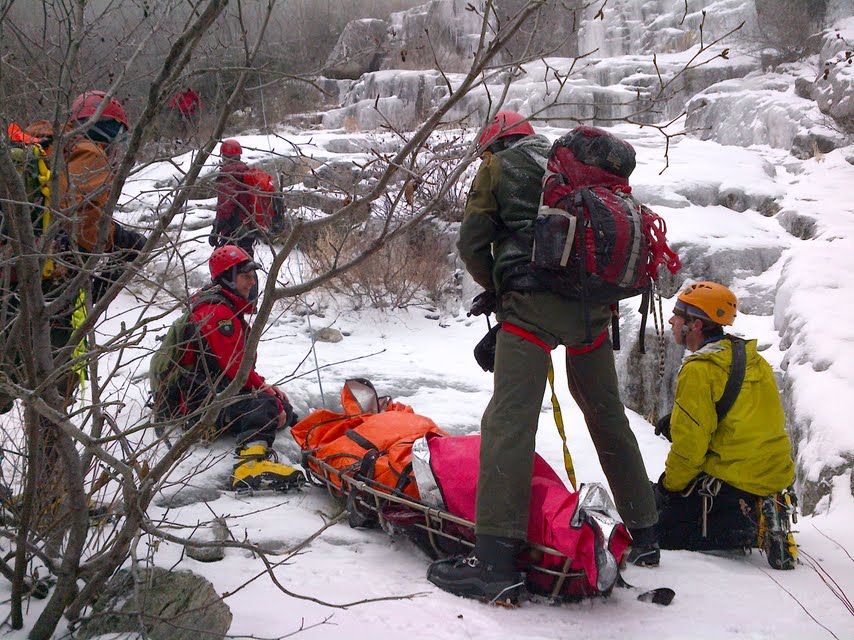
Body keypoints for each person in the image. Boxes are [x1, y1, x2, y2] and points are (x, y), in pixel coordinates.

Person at [426, 112, 660, 603]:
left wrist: (499, 288)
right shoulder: (574, 164)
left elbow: (472, 244)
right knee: (606, 415)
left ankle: (494, 563)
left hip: (530, 314)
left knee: (510, 423)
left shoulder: (500, 166)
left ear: (493, 142)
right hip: (594, 313)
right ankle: (646, 531)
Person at [653, 281, 797, 569]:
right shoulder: (752, 359)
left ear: (695, 325)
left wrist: (667, 488)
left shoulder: (700, 370)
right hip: (772, 475)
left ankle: (743, 525)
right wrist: (679, 421)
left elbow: (690, 450)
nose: (671, 320)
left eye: (678, 314)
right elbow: (745, 418)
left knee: (648, 521)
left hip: (727, 487)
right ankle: (762, 510)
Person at [161, 244, 302, 490]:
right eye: (245, 276)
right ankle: (250, 465)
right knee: (267, 404)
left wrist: (266, 389)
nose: (251, 282)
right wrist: (267, 395)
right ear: (227, 277)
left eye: (252, 276)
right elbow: (236, 369)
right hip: (196, 403)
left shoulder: (221, 305)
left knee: (280, 408)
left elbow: (234, 368)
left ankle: (269, 425)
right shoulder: (217, 313)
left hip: (206, 393)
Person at [210, 138, 258, 256]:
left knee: (231, 264)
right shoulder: (246, 172)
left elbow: (225, 206)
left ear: (224, 156)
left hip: (234, 228)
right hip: (249, 226)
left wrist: (216, 229)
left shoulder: (228, 175)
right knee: (247, 261)